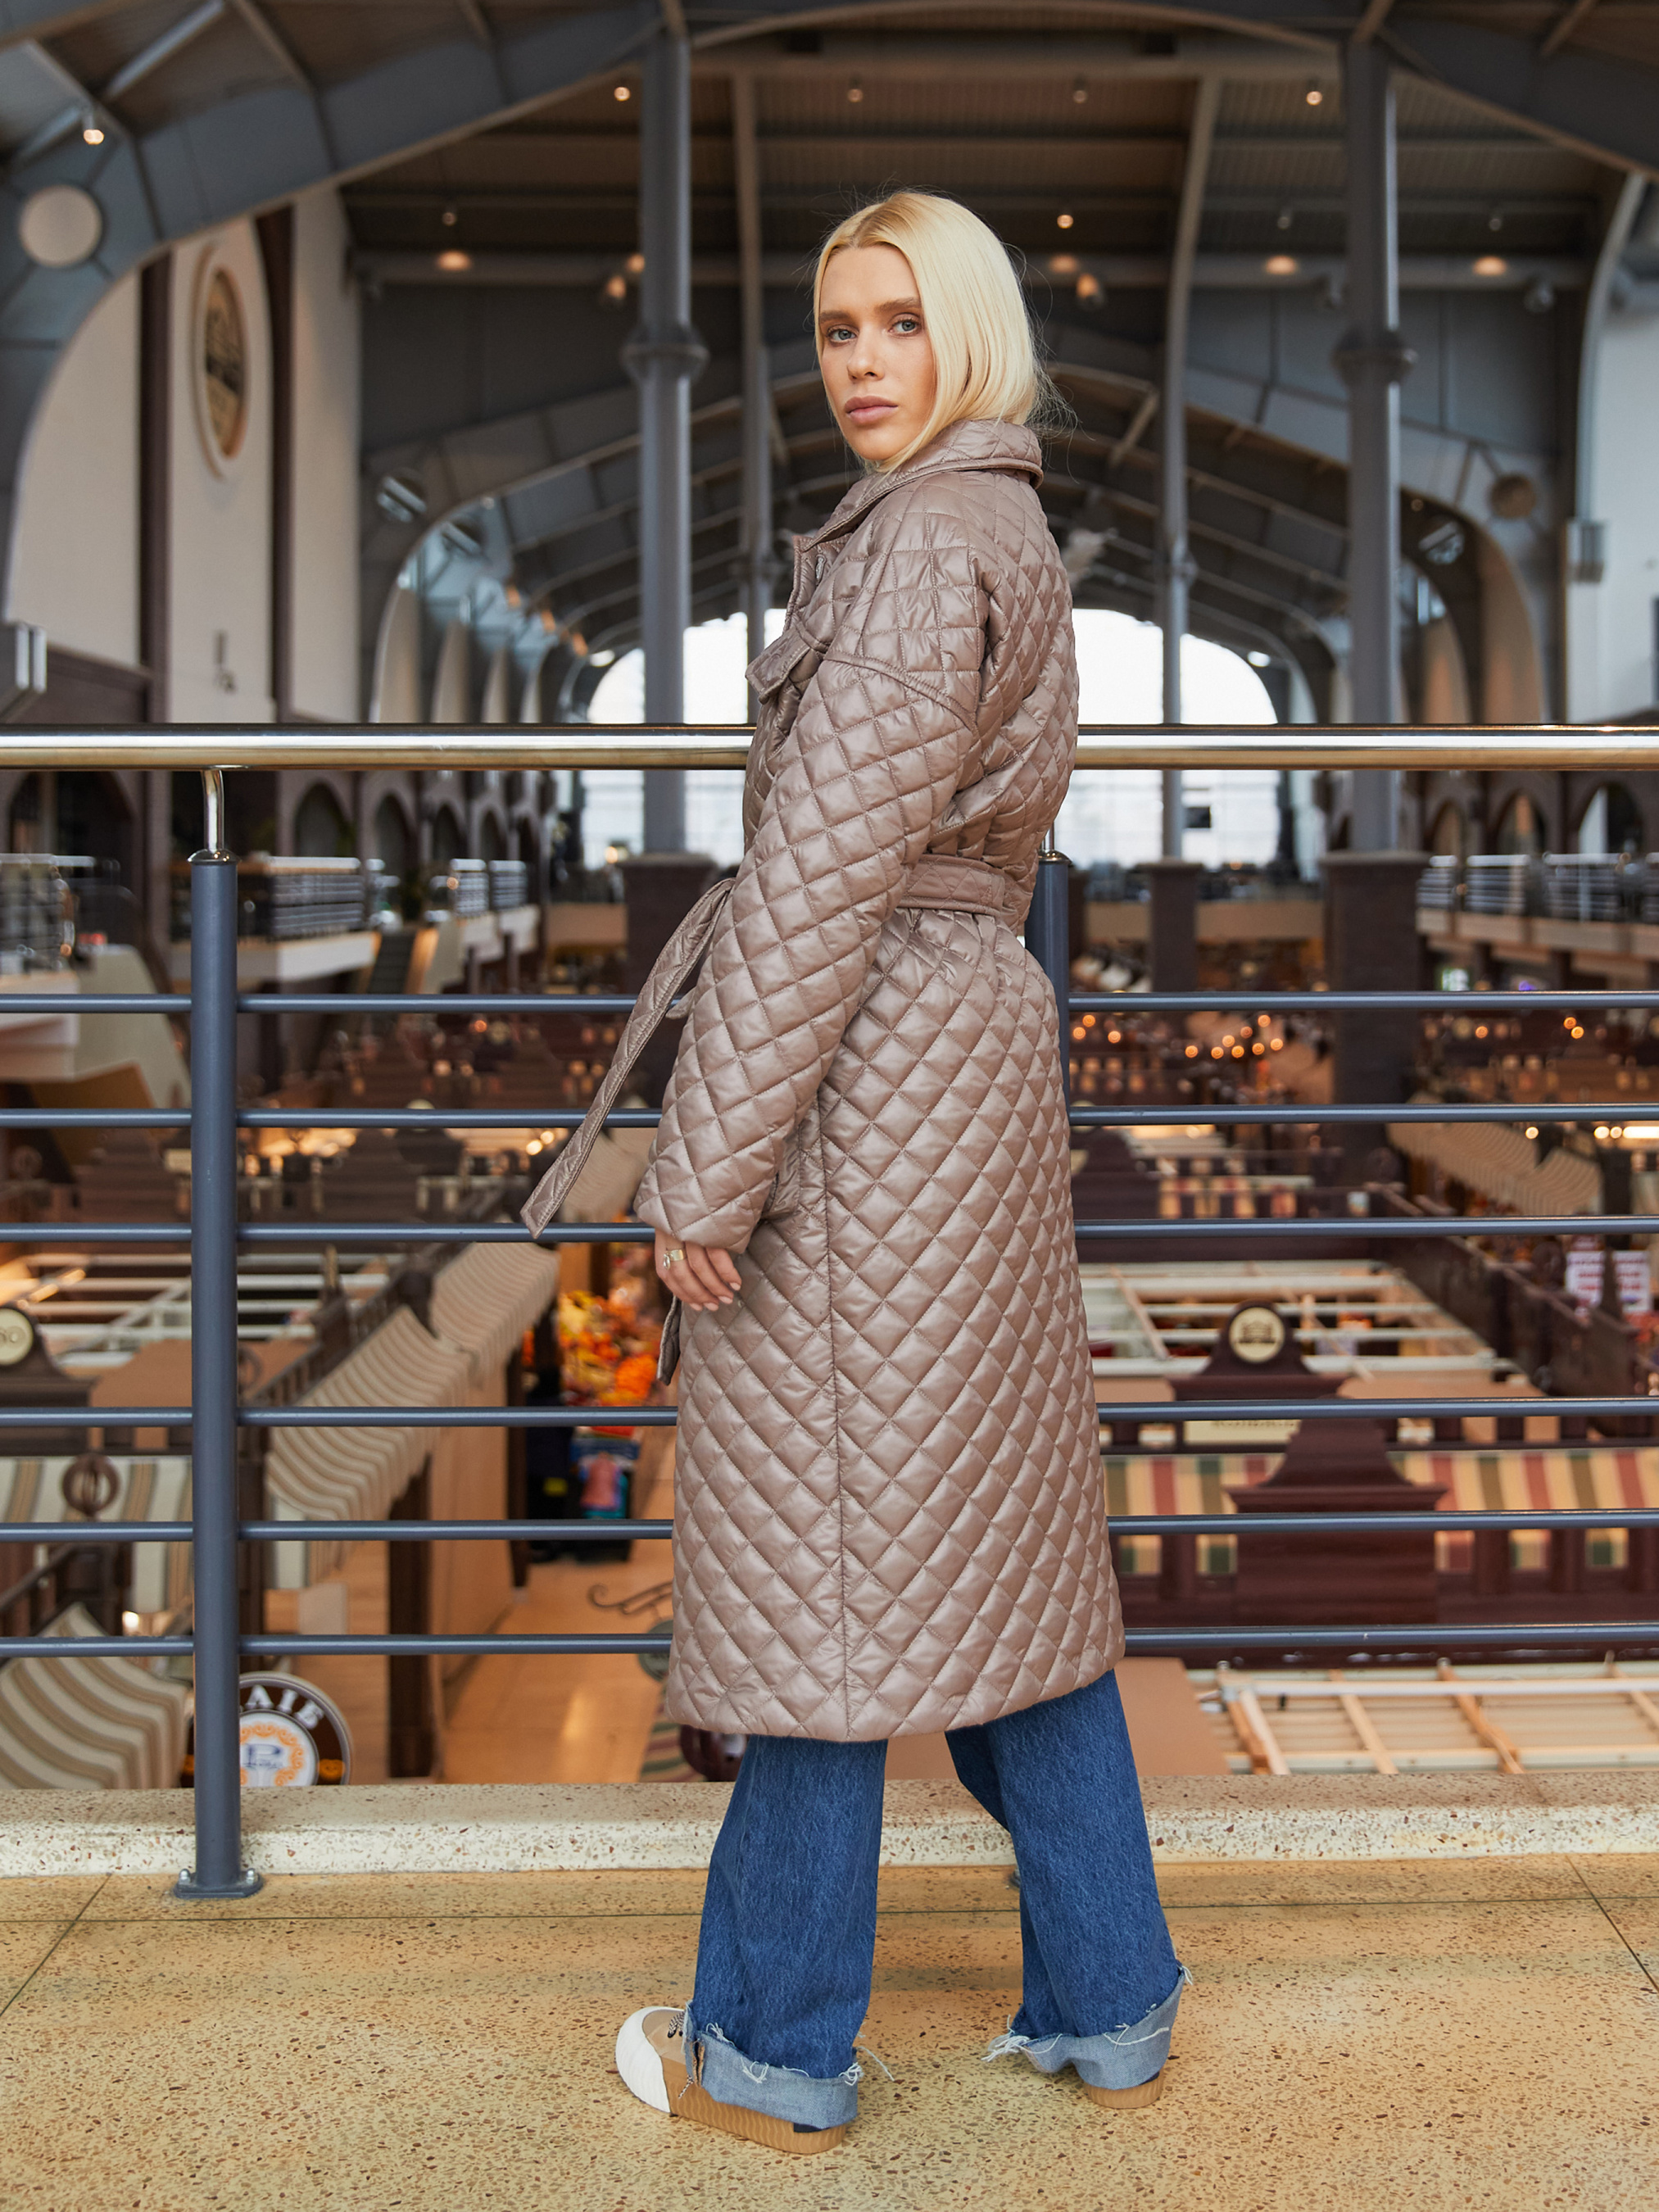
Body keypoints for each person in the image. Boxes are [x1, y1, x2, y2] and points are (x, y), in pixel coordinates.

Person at [524, 188, 1185, 2157]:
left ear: (966, 332)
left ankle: (766, 2040)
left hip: (866, 1074)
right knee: (985, 1553)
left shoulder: (911, 550)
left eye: (900, 320)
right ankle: (1110, 1995)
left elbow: (813, 889)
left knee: (820, 1574)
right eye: (836, 329)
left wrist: (703, 1175)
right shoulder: (1001, 527)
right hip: (958, 1058)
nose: (863, 361)